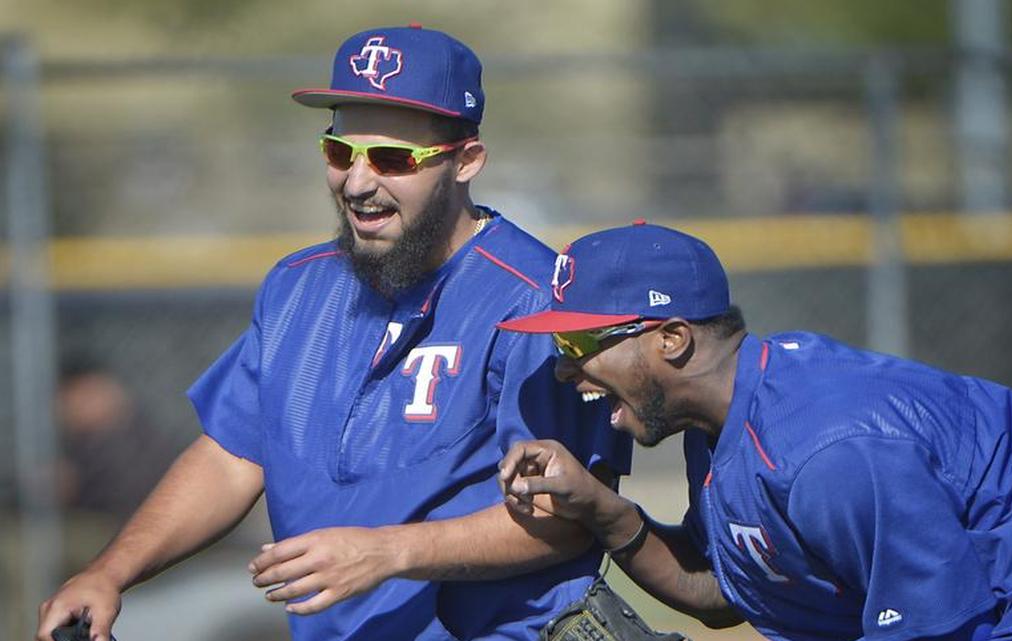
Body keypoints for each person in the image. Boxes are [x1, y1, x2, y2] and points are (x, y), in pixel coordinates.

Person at [38, 25, 630, 641]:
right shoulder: (298, 287)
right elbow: (233, 455)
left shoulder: (536, 300)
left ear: (467, 160)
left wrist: (387, 552)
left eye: (395, 159)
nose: (357, 182)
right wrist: (109, 573)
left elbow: (568, 517)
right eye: (341, 152)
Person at [496, 222, 1012, 640]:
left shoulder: (828, 449)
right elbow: (722, 589)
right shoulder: (721, 422)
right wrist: (603, 511)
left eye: (579, 340)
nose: (564, 368)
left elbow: (937, 627)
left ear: (671, 339)